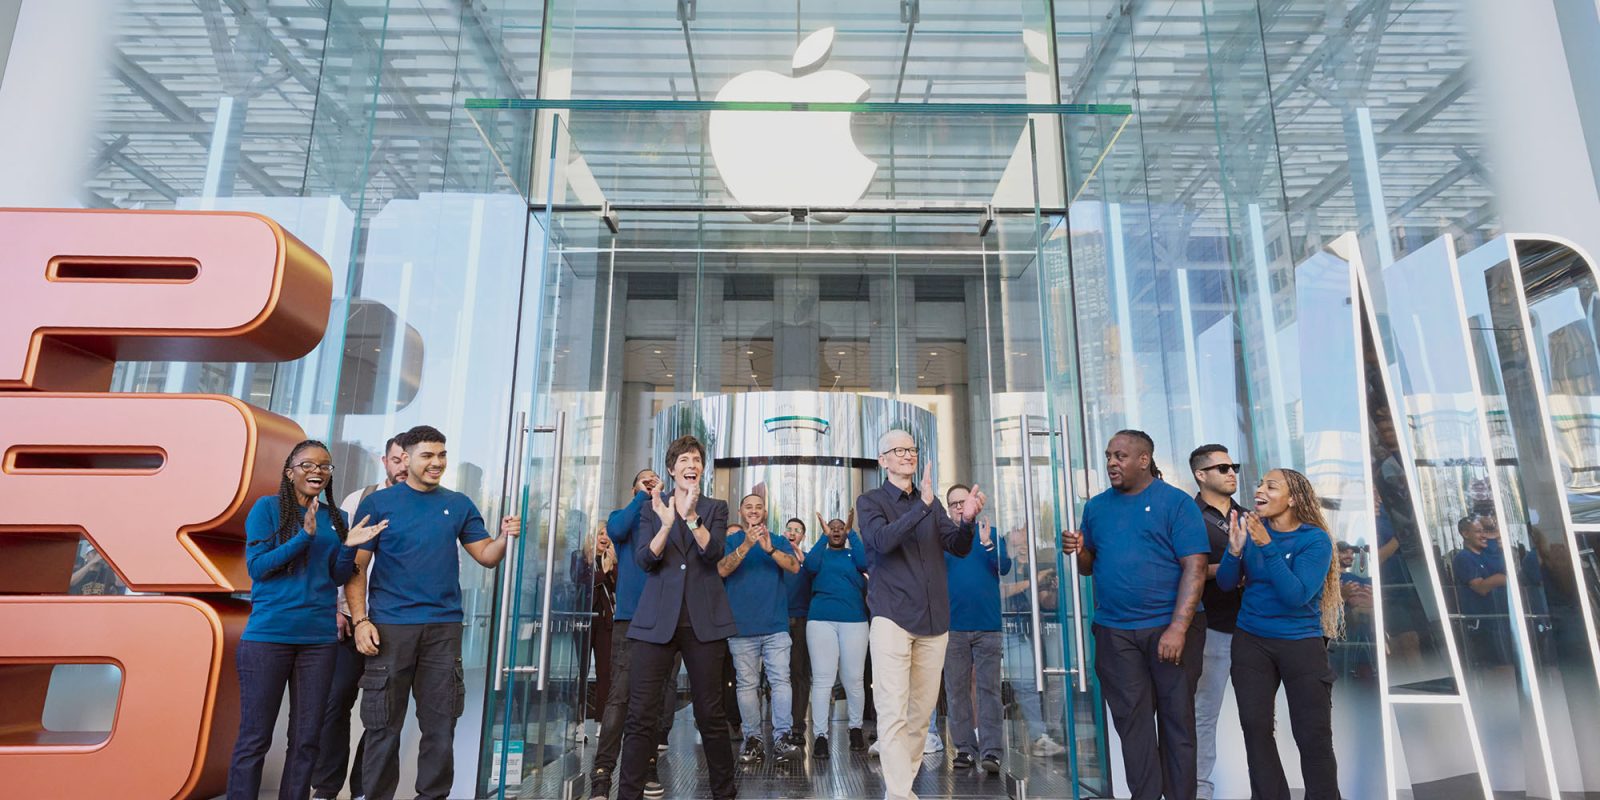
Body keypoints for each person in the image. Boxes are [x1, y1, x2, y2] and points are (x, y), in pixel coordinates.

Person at [341, 425, 521, 800]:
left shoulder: (458, 504)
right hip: (389, 629)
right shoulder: (379, 504)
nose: (437, 462)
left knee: (440, 728)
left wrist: (505, 537)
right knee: (383, 728)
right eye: (428, 455)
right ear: (405, 458)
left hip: (443, 630)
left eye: (441, 455)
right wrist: (360, 621)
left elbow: (486, 557)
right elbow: (356, 568)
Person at [229, 440, 385, 800]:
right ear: (290, 471)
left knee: (306, 738)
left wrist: (349, 548)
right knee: (255, 737)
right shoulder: (267, 510)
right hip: (269, 637)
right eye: (308, 465)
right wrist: (304, 536)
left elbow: (334, 577)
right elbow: (259, 569)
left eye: (325, 466)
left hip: (318, 641)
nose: (317, 471)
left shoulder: (338, 519)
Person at [1060, 430, 1207, 800]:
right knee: (1132, 725)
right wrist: (1078, 550)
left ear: (1144, 460)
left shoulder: (1175, 503)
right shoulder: (1095, 507)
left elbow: (1195, 566)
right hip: (1115, 632)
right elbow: (1088, 568)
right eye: (1109, 455)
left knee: (1177, 724)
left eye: (1120, 456)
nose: (1111, 462)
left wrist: (1178, 628)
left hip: (1169, 630)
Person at [857, 428, 986, 800]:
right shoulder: (871, 501)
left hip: (934, 621)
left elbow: (958, 547)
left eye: (911, 449)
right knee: (893, 711)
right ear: (882, 460)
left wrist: (967, 522)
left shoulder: (930, 504)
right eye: (899, 450)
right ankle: (900, 794)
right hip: (892, 617)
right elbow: (882, 541)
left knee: (919, 715)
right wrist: (922, 507)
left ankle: (899, 789)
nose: (908, 455)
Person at [617, 435, 738, 800]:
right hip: (656, 623)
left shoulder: (715, 507)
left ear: (702, 469)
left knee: (711, 716)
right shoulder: (650, 508)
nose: (691, 464)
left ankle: (724, 794)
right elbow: (644, 559)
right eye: (684, 459)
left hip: (704, 623)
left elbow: (713, 552)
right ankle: (627, 794)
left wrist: (689, 517)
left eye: (697, 460)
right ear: (672, 469)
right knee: (641, 716)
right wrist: (668, 523)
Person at [1217, 468, 1342, 800]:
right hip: (1251, 641)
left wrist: (1267, 546)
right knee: (1255, 729)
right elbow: (1227, 584)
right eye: (1260, 484)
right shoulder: (1252, 531)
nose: (1260, 490)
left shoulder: (1314, 540)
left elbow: (1296, 595)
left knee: (1312, 735)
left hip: (1301, 644)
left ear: (1294, 498)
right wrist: (1234, 550)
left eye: (1271, 486)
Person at [313, 435, 406, 800]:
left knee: (381, 711)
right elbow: (343, 558)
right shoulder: (359, 499)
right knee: (336, 702)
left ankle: (364, 789)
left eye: (406, 459)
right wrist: (341, 609)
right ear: (385, 461)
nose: (401, 466)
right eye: (396, 459)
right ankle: (325, 787)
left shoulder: (423, 505)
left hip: (392, 626)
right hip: (352, 619)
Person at [592, 469, 677, 800]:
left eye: (657, 479)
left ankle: (647, 765)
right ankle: (602, 773)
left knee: (654, 700)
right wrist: (643, 495)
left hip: (664, 619)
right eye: (645, 479)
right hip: (630, 619)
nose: (652, 482)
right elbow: (614, 529)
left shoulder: (667, 516)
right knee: (620, 696)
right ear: (634, 488)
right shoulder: (622, 518)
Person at [720, 492, 803, 762]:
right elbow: (721, 570)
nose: (754, 511)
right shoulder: (731, 540)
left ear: (764, 512)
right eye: (749, 507)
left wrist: (769, 549)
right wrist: (746, 545)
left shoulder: (778, 540)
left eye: (758, 507)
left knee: (780, 681)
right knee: (746, 685)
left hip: (776, 626)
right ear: (741, 512)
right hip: (741, 628)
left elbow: (794, 567)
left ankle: (782, 738)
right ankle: (752, 740)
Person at [1187, 444, 1246, 800]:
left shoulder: (1252, 515)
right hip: (1212, 629)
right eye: (1222, 467)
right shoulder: (1188, 516)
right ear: (1201, 474)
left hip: (1254, 628)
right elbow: (1182, 569)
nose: (1231, 472)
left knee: (1259, 718)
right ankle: (1199, 791)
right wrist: (1230, 568)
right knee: (1203, 715)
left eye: (1233, 466)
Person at [941, 484, 1010, 773]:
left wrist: (988, 545)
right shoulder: (943, 540)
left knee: (989, 690)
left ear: (974, 503)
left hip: (988, 626)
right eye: (954, 503)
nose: (959, 506)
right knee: (956, 691)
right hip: (953, 627)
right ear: (948, 508)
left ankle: (992, 751)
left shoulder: (990, 535)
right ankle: (965, 749)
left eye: (963, 501)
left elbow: (1005, 567)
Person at [802, 514, 870, 758]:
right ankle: (820, 736)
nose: (837, 531)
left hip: (855, 621)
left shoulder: (854, 555)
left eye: (841, 528)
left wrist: (853, 533)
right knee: (822, 680)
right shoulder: (821, 554)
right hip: (821, 620)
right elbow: (809, 566)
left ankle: (855, 729)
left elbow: (866, 563)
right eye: (833, 528)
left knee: (853, 679)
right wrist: (823, 536)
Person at [1452, 515, 1512, 667]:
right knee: (1497, 668)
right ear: (1465, 534)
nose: (1484, 535)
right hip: (1482, 625)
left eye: (1485, 531)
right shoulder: (1463, 557)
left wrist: (1494, 531)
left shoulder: (1486, 555)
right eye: (1478, 531)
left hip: (1501, 619)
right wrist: (1501, 579)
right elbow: (1481, 588)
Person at [782, 517, 813, 739]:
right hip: (778, 621)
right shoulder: (775, 558)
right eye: (789, 529)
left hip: (802, 621)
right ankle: (780, 723)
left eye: (797, 530)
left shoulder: (809, 562)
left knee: (799, 673)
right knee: (777, 675)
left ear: (802, 536)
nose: (793, 533)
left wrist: (806, 565)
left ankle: (797, 725)